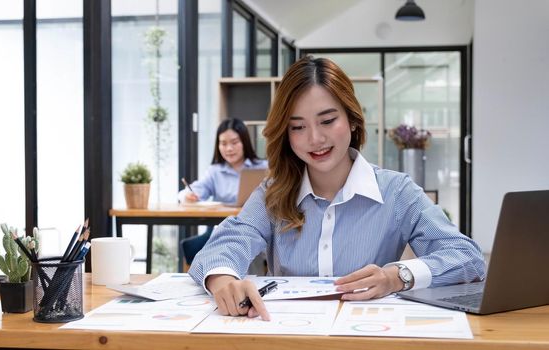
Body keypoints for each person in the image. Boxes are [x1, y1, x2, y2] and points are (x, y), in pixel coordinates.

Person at [188, 56, 486, 321]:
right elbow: (224, 245)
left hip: (369, 335)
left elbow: (467, 258)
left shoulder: (397, 192)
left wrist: (397, 276)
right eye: (297, 127)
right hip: (289, 337)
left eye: (328, 120)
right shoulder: (273, 194)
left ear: (353, 120)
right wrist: (224, 280)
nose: (315, 138)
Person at [178, 118, 268, 205]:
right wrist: (188, 196)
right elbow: (193, 191)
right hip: (222, 219)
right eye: (223, 144)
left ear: (245, 142)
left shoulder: (264, 168)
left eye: (234, 142)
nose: (229, 149)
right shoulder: (214, 171)